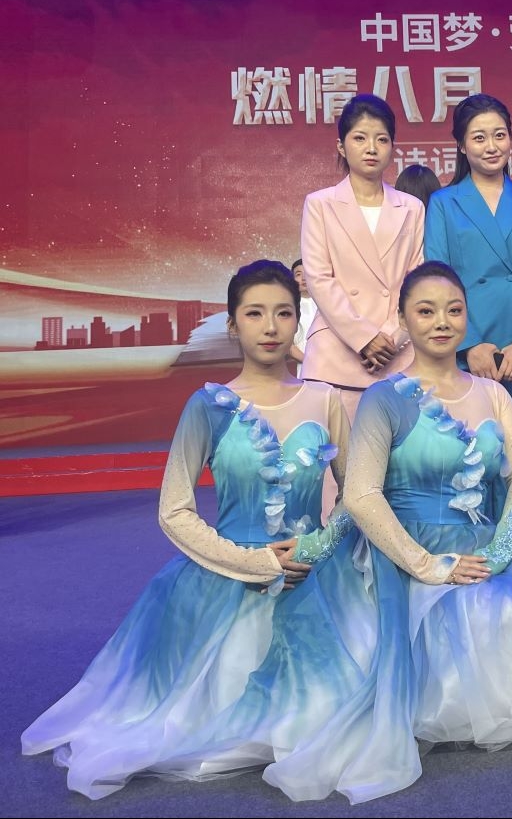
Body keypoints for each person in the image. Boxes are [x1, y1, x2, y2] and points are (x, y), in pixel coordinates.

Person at [21, 261, 416, 802]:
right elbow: (174, 510)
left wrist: (315, 546)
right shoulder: (207, 405)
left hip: (317, 577)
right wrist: (256, 563)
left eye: (284, 313)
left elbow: (356, 495)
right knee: (208, 706)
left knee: (353, 698)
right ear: (232, 325)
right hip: (228, 579)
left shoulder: (324, 399)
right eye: (254, 314)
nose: (270, 327)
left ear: (298, 321)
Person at [343, 261, 512, 750]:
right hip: (406, 547)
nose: (442, 322)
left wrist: (499, 553)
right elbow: (361, 494)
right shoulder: (382, 398)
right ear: (403, 319)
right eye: (426, 311)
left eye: (454, 310)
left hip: (481, 540)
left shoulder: (492, 393)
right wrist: (429, 565)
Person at [423, 94, 512, 451]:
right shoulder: (443, 203)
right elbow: (437, 280)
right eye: (479, 137)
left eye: (500, 135)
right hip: (465, 351)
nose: (491, 146)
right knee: (466, 456)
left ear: (511, 140)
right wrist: (469, 344)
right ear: (461, 145)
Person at [300, 93, 425, 423]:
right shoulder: (320, 204)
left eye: (381, 139)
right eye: (360, 138)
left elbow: (417, 282)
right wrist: (364, 337)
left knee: (401, 451)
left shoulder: (411, 208)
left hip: (397, 354)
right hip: (336, 354)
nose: (371, 148)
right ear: (341, 147)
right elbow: (319, 279)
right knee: (334, 452)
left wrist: (393, 337)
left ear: (392, 147)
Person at [289, 257, 318, 364]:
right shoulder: (289, 308)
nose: (304, 278)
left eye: (307, 272)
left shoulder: (327, 304)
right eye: (298, 274)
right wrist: (309, 362)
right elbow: (288, 345)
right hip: (305, 367)